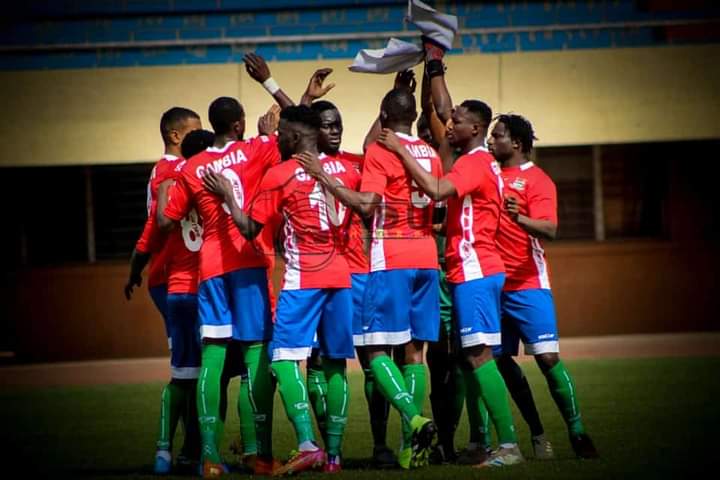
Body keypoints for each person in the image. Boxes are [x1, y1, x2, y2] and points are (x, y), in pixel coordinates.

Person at [375, 38, 526, 467]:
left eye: (457, 120)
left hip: (476, 269)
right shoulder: (476, 158)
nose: (448, 121)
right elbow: (441, 110)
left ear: (474, 130)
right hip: (473, 268)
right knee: (472, 357)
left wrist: (400, 149)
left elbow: (437, 188)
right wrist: (434, 63)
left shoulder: (475, 163)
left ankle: (509, 446)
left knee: (478, 356)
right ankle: (485, 442)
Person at [203, 105, 356, 474]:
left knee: (282, 358)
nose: (279, 138)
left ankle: (307, 443)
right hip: (341, 273)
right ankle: (333, 457)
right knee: (334, 362)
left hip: (303, 276)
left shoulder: (280, 174)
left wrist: (227, 195)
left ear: (295, 136)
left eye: (283, 134)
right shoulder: (345, 170)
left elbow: (251, 228)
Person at [297, 88, 440, 470]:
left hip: (376, 264)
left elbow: (367, 198)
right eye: (328, 125)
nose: (335, 131)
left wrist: (323, 178)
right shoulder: (429, 153)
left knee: (374, 354)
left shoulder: (364, 158)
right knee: (402, 355)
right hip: (420, 256)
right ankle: (381, 446)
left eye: (338, 125)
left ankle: (407, 426)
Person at [160, 94, 283, 477]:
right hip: (247, 262)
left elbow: (167, 220)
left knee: (211, 357)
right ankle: (256, 452)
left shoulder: (191, 166)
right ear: (239, 124)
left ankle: (209, 457)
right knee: (254, 356)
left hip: (210, 266)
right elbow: (295, 131)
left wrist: (168, 183)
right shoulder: (254, 150)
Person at [489, 113, 599, 459]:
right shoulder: (487, 174)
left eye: (498, 136)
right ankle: (537, 435)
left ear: (516, 144)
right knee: (498, 359)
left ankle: (577, 430)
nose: (491, 141)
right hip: (490, 284)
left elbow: (550, 230)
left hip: (527, 283)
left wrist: (518, 216)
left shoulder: (537, 180)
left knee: (548, 358)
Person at [123, 106, 201, 474]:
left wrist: (134, 271)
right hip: (175, 280)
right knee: (186, 370)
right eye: (194, 133)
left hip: (182, 279)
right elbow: (155, 227)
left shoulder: (173, 170)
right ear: (175, 135)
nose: (202, 141)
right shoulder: (171, 172)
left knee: (195, 370)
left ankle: (189, 449)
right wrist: (137, 268)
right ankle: (170, 450)